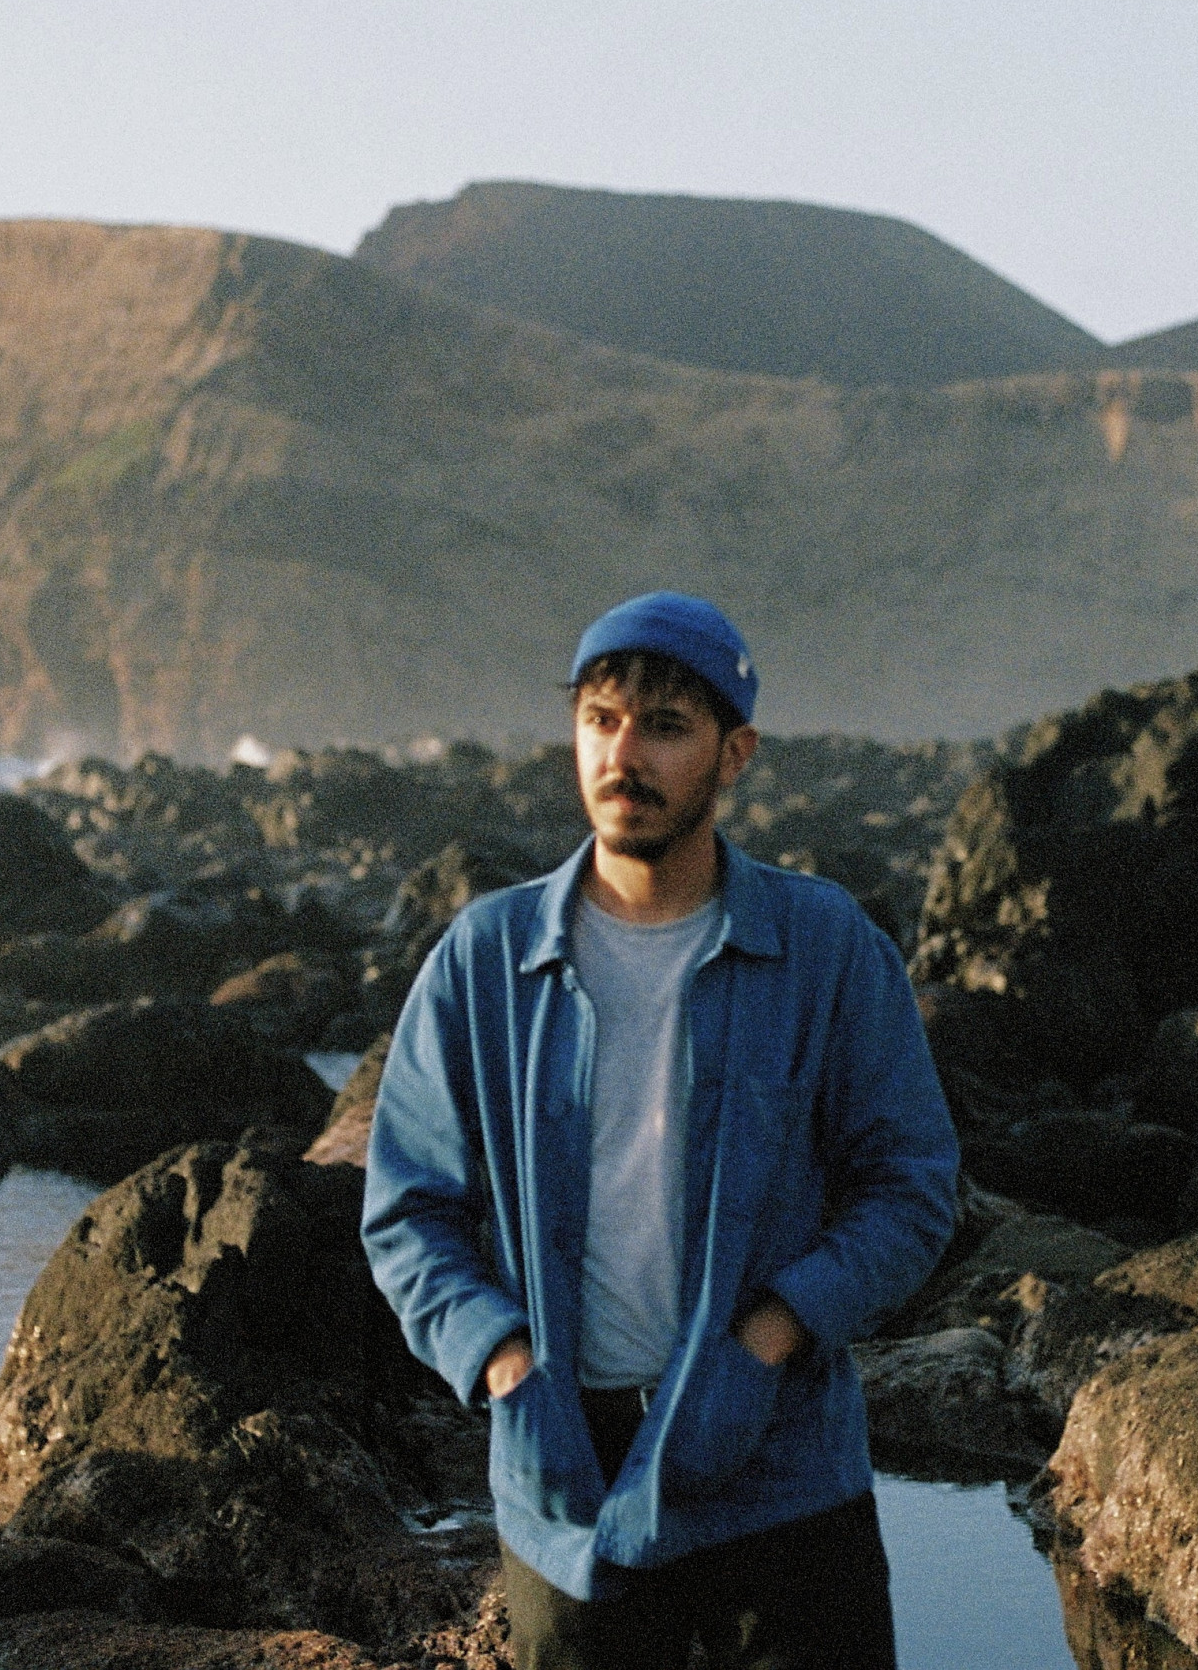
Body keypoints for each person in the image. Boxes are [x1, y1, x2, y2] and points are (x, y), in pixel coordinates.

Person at [361, 592, 959, 1669]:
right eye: (600, 720)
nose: (623, 755)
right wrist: (504, 1365)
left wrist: (772, 1335)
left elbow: (911, 1186)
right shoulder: (486, 959)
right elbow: (408, 1212)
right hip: (566, 1494)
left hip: (782, 1480)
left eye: (666, 727)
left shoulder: (824, 948)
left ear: (735, 754)